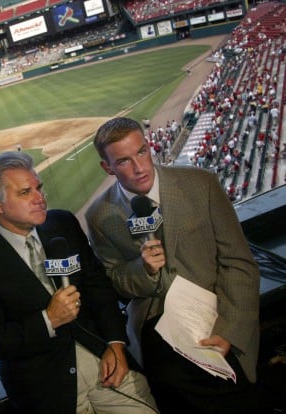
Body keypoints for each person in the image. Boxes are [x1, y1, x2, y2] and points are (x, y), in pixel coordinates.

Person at [85, 117, 261, 413]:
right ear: (107, 167)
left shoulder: (201, 183)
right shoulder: (99, 215)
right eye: (124, 161)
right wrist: (144, 270)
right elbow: (116, 280)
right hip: (157, 316)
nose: (140, 167)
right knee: (172, 376)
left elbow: (239, 262)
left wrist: (230, 330)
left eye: (142, 152)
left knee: (224, 378)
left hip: (217, 307)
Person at [0, 151, 156, 413]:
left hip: (104, 361)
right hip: (47, 390)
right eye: (25, 192)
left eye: (39, 188)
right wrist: (48, 320)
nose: (40, 198)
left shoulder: (62, 223)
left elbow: (98, 288)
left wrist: (116, 344)